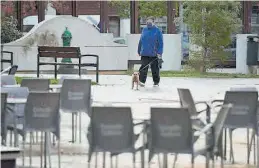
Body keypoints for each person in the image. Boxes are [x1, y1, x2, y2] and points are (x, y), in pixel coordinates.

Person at [137, 16, 163, 87]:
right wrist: (139, 50)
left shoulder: (157, 31)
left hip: (154, 54)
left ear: (153, 22)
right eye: (147, 22)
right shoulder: (144, 30)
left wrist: (159, 53)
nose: (148, 23)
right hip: (145, 52)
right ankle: (142, 81)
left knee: (155, 69)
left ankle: (156, 82)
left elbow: (161, 43)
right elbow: (141, 41)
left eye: (150, 22)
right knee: (143, 67)